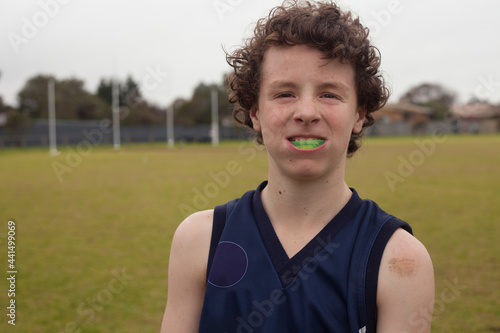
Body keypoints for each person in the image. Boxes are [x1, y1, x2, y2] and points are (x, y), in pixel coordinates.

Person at [161, 1, 435, 332]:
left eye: (330, 94)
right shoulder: (198, 240)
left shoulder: (401, 260)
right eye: (285, 94)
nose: (306, 112)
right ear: (255, 114)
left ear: (359, 115)